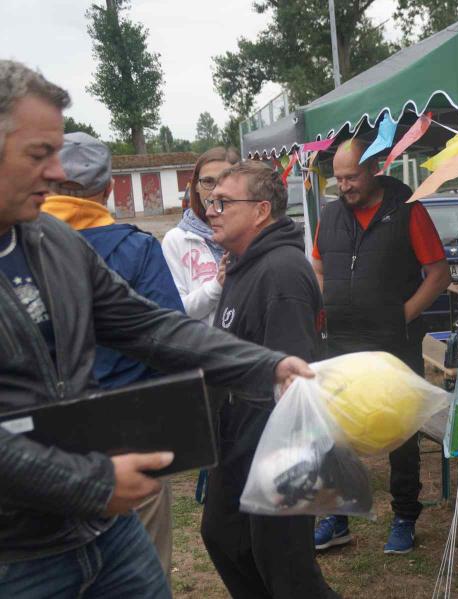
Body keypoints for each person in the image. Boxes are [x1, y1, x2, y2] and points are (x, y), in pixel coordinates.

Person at [0, 59, 314, 598]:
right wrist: (93, 482)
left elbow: (151, 325)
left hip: (105, 530)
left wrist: (266, 366)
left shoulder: (55, 243)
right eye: (39, 154)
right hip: (19, 556)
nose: (59, 173)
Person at [41, 131, 184, 579]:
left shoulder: (21, 246)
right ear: (107, 190)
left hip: (45, 442)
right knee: (141, 569)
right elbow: (171, 339)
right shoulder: (136, 247)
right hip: (128, 430)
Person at [199, 161, 337, 598]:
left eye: (223, 203)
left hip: (274, 443)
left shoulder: (282, 271)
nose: (211, 211)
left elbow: (292, 377)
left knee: (286, 568)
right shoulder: (243, 265)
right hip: (236, 436)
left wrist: (283, 463)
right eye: (209, 202)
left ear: (260, 211)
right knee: (224, 537)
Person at [311, 139, 450, 555]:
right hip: (338, 342)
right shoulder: (331, 214)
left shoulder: (408, 209)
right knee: (335, 428)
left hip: (393, 342)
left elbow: (439, 275)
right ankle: (336, 517)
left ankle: (405, 516)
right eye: (338, 179)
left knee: (399, 428)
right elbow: (317, 263)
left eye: (351, 177)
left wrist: (400, 317)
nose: (344, 186)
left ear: (373, 170)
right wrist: (322, 303)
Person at [162, 146, 239, 326]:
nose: (215, 191)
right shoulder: (176, 240)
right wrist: (216, 286)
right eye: (208, 181)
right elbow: (174, 310)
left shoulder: (249, 233)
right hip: (205, 350)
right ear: (195, 186)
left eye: (224, 180)